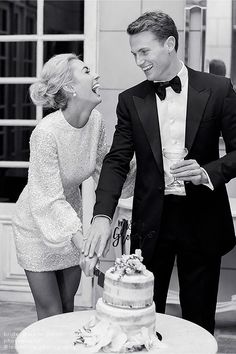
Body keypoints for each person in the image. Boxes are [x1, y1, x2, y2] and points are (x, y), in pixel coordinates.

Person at [83, 11, 236, 334]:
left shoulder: (219, 89)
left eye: (144, 51)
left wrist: (207, 172)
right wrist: (101, 215)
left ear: (169, 44)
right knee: (142, 318)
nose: (138, 61)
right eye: (134, 54)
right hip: (151, 222)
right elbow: (116, 160)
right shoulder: (130, 100)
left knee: (199, 320)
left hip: (203, 218)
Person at [12, 53, 104, 320]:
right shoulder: (45, 134)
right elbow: (49, 199)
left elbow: (105, 170)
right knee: (51, 313)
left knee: (67, 309)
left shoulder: (96, 121)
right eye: (87, 71)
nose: (96, 76)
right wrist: (83, 242)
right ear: (70, 87)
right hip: (36, 223)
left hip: (70, 218)